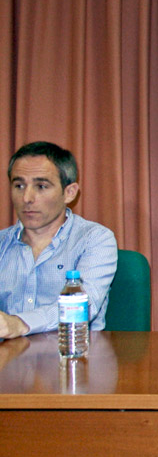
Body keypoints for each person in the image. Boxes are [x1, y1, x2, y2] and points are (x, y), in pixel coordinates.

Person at [0, 142, 117, 338]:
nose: (27, 198)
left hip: (74, 358)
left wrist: (20, 323)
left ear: (69, 193)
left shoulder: (94, 240)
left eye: (41, 186)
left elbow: (84, 307)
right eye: (19, 185)